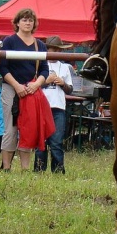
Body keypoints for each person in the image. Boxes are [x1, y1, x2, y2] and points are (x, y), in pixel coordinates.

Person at [0, 8, 51, 171]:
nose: (28, 23)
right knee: (10, 129)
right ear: (17, 23)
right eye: (24, 20)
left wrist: (36, 85)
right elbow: (2, 67)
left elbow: (44, 69)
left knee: (28, 129)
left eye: (30, 20)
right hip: (11, 88)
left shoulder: (40, 45)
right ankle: (6, 168)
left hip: (31, 91)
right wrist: (16, 85)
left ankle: (25, 169)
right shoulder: (9, 41)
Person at [35, 35, 73, 173]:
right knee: (41, 141)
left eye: (58, 50)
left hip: (58, 107)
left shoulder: (65, 67)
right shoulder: (40, 65)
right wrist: (46, 81)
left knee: (56, 142)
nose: (56, 52)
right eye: (53, 49)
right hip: (42, 106)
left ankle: (57, 170)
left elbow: (70, 89)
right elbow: (34, 86)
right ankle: (39, 169)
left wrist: (62, 83)